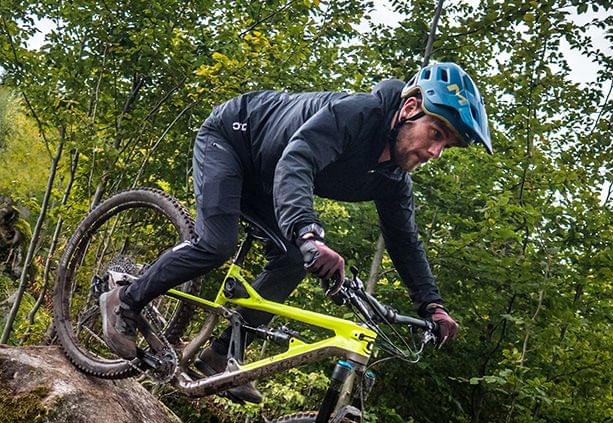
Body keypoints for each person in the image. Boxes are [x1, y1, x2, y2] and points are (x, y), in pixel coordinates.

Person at [100, 62, 492, 403]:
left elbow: (405, 241)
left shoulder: (392, 178)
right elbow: (298, 159)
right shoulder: (357, 114)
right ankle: (125, 301)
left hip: (271, 177)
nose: (436, 152)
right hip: (233, 140)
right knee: (217, 243)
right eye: (437, 134)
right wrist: (308, 235)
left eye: (448, 146)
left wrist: (432, 306)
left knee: (289, 263)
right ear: (409, 108)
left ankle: (219, 355)